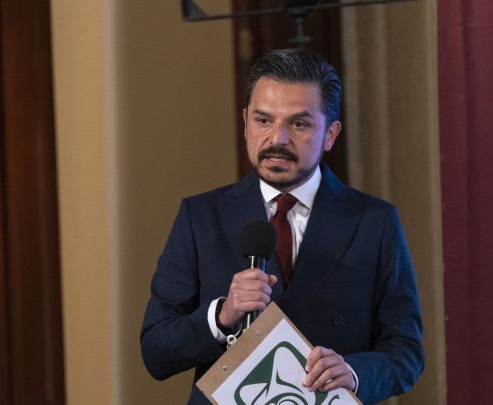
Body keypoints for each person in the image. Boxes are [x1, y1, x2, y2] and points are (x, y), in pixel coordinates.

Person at [140, 48, 424, 405]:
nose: (277, 139)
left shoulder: (374, 222)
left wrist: (353, 373)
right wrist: (222, 317)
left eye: (299, 124)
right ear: (245, 122)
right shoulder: (200, 217)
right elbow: (156, 352)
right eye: (263, 120)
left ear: (331, 134)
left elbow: (406, 351)